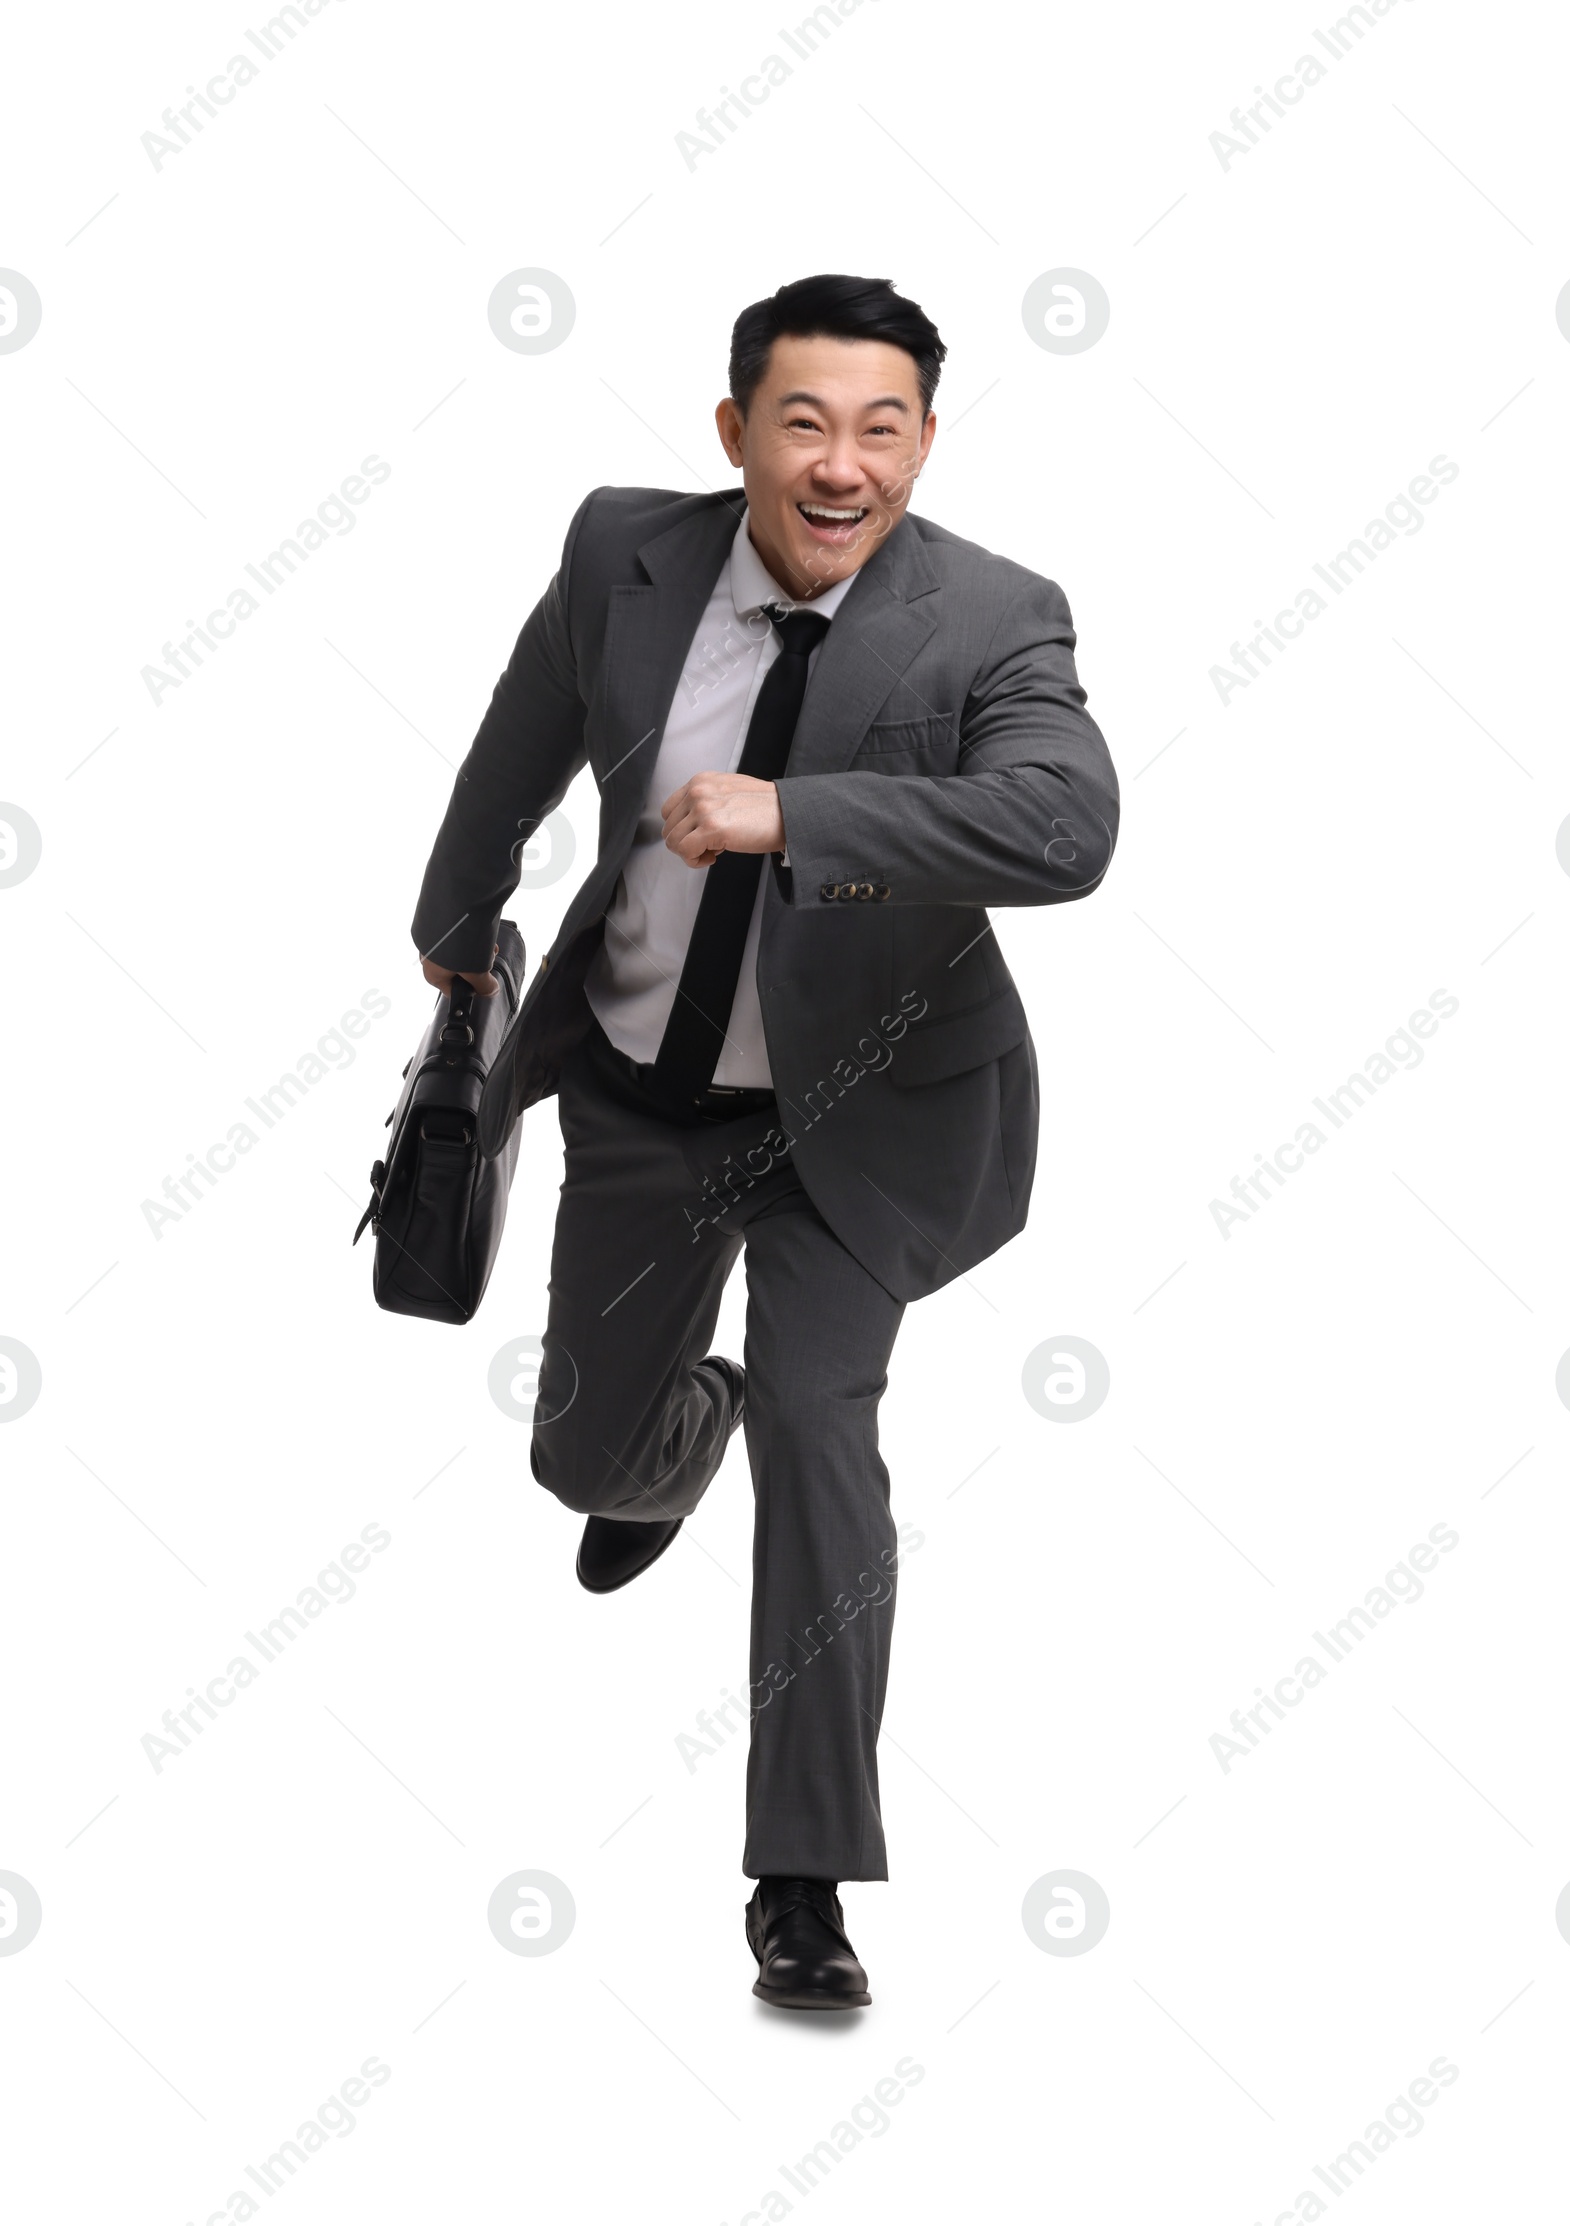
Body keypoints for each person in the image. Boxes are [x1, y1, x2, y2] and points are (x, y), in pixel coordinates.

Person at [410, 272, 1119, 2010]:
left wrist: (791, 812)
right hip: (648, 1091)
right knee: (583, 1458)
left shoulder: (991, 615)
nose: (840, 465)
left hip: (859, 1117)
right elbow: (521, 734)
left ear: (926, 442)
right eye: (803, 421)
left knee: (825, 1429)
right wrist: (456, 911)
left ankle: (801, 1878)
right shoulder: (620, 558)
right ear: (735, 431)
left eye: (884, 428)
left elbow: (1066, 821)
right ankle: (678, 1427)